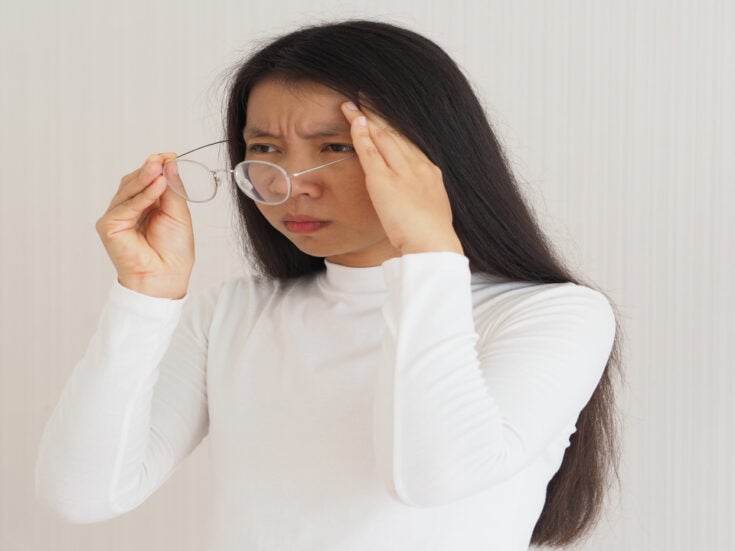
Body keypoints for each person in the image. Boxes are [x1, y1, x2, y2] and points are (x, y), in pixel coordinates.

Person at [36, 19, 623, 551]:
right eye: (265, 149)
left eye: (336, 147)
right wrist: (145, 295)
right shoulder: (231, 314)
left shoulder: (552, 315)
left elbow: (431, 479)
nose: (290, 183)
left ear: (428, 155)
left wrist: (428, 252)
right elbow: (81, 496)